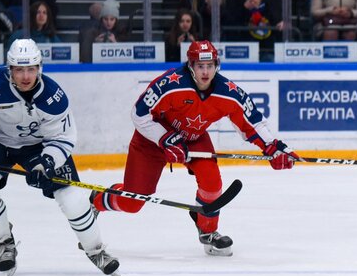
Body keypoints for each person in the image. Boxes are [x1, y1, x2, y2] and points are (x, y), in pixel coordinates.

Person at [91, 41, 298, 256]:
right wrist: (165, 139)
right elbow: (139, 115)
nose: (206, 71)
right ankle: (97, 199)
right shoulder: (171, 84)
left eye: (210, 65)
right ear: (191, 66)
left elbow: (253, 122)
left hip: (193, 139)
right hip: (151, 141)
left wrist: (274, 148)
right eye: (200, 66)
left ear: (217, 65)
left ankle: (208, 231)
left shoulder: (228, 92)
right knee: (132, 203)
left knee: (212, 181)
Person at [0, 40, 119, 276]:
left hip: (41, 147)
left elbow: (64, 138)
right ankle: (5, 243)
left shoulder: (54, 97)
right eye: (19, 69)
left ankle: (95, 250)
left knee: (73, 198)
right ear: (9, 69)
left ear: (40, 68)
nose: (25, 76)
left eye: (31, 69)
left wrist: (47, 161)